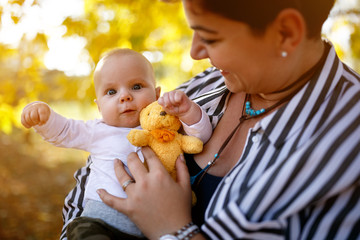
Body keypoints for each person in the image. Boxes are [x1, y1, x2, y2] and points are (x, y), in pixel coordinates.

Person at [92, 0, 360, 239]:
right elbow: (96, 168)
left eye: (210, 37)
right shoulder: (208, 82)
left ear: (286, 32)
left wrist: (173, 230)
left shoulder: (347, 142)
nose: (195, 52)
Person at [21, 48, 212, 239]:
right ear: (99, 106)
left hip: (153, 227)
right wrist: (44, 117)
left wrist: (188, 112)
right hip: (99, 221)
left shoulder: (165, 125)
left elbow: (199, 137)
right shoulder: (98, 131)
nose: (125, 96)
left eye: (136, 86)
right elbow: (65, 131)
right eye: (111, 91)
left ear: (156, 93)